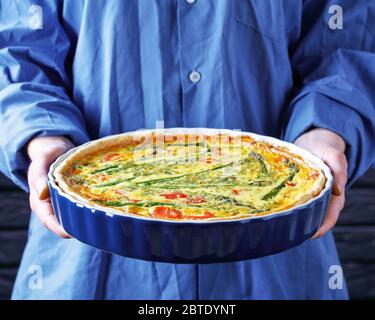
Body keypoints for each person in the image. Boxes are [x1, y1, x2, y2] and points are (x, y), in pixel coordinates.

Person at [1, 0, 374, 300]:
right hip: (89, 258)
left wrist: (325, 131)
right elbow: (17, 47)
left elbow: (345, 43)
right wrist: (43, 137)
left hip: (277, 253)